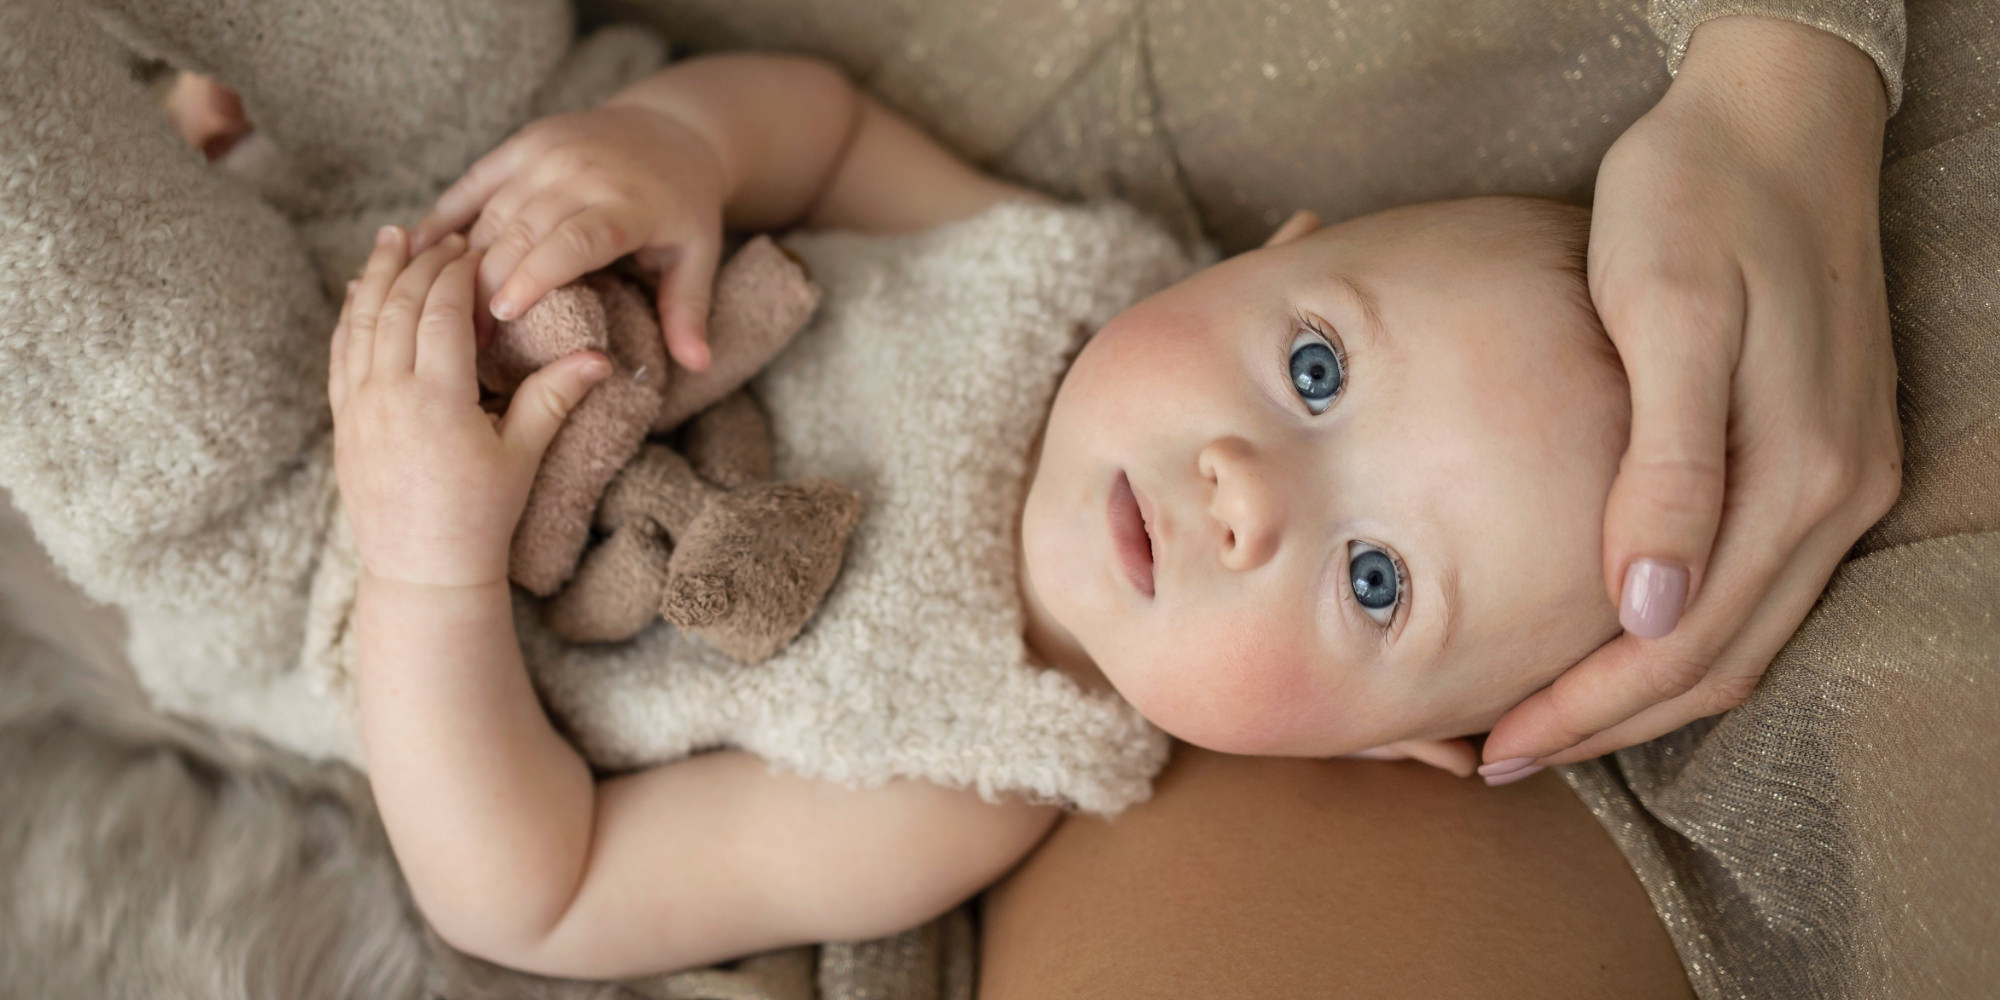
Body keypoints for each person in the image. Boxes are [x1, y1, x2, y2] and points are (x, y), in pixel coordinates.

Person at [313, 47, 1662, 978]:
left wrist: (424, 563)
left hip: (336, 566)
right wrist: (679, 146)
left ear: (1381, 750)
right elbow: (824, 131)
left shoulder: (962, 774)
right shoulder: (1059, 269)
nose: (1248, 494)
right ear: (1272, 256)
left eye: (1377, 581)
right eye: (1317, 370)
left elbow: (540, 890)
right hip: (485, 218)